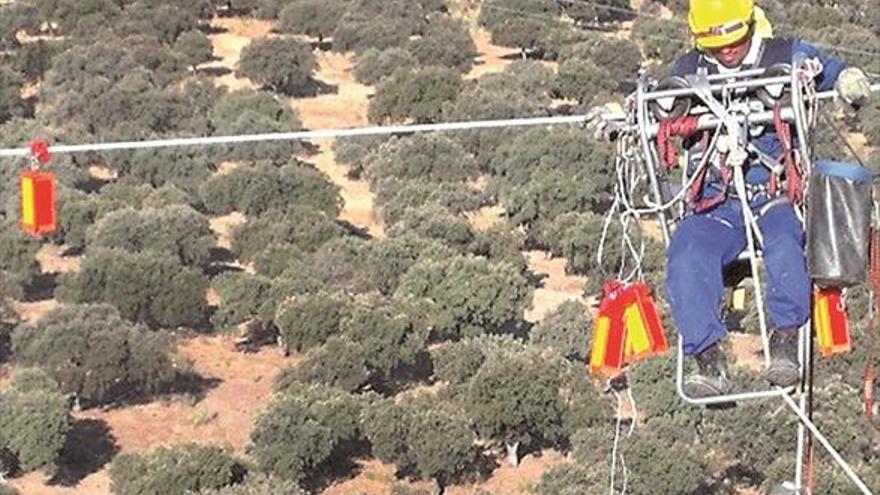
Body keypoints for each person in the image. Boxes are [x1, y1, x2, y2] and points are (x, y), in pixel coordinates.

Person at [588, 0, 874, 398]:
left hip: (773, 195)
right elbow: (656, 105)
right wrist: (622, 118)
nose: (726, 50)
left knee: (785, 244)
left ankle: (785, 343)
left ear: (749, 25)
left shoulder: (783, 55)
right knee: (686, 254)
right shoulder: (690, 70)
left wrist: (847, 78)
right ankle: (708, 360)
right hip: (715, 202)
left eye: (733, 40)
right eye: (715, 43)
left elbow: (826, 70)